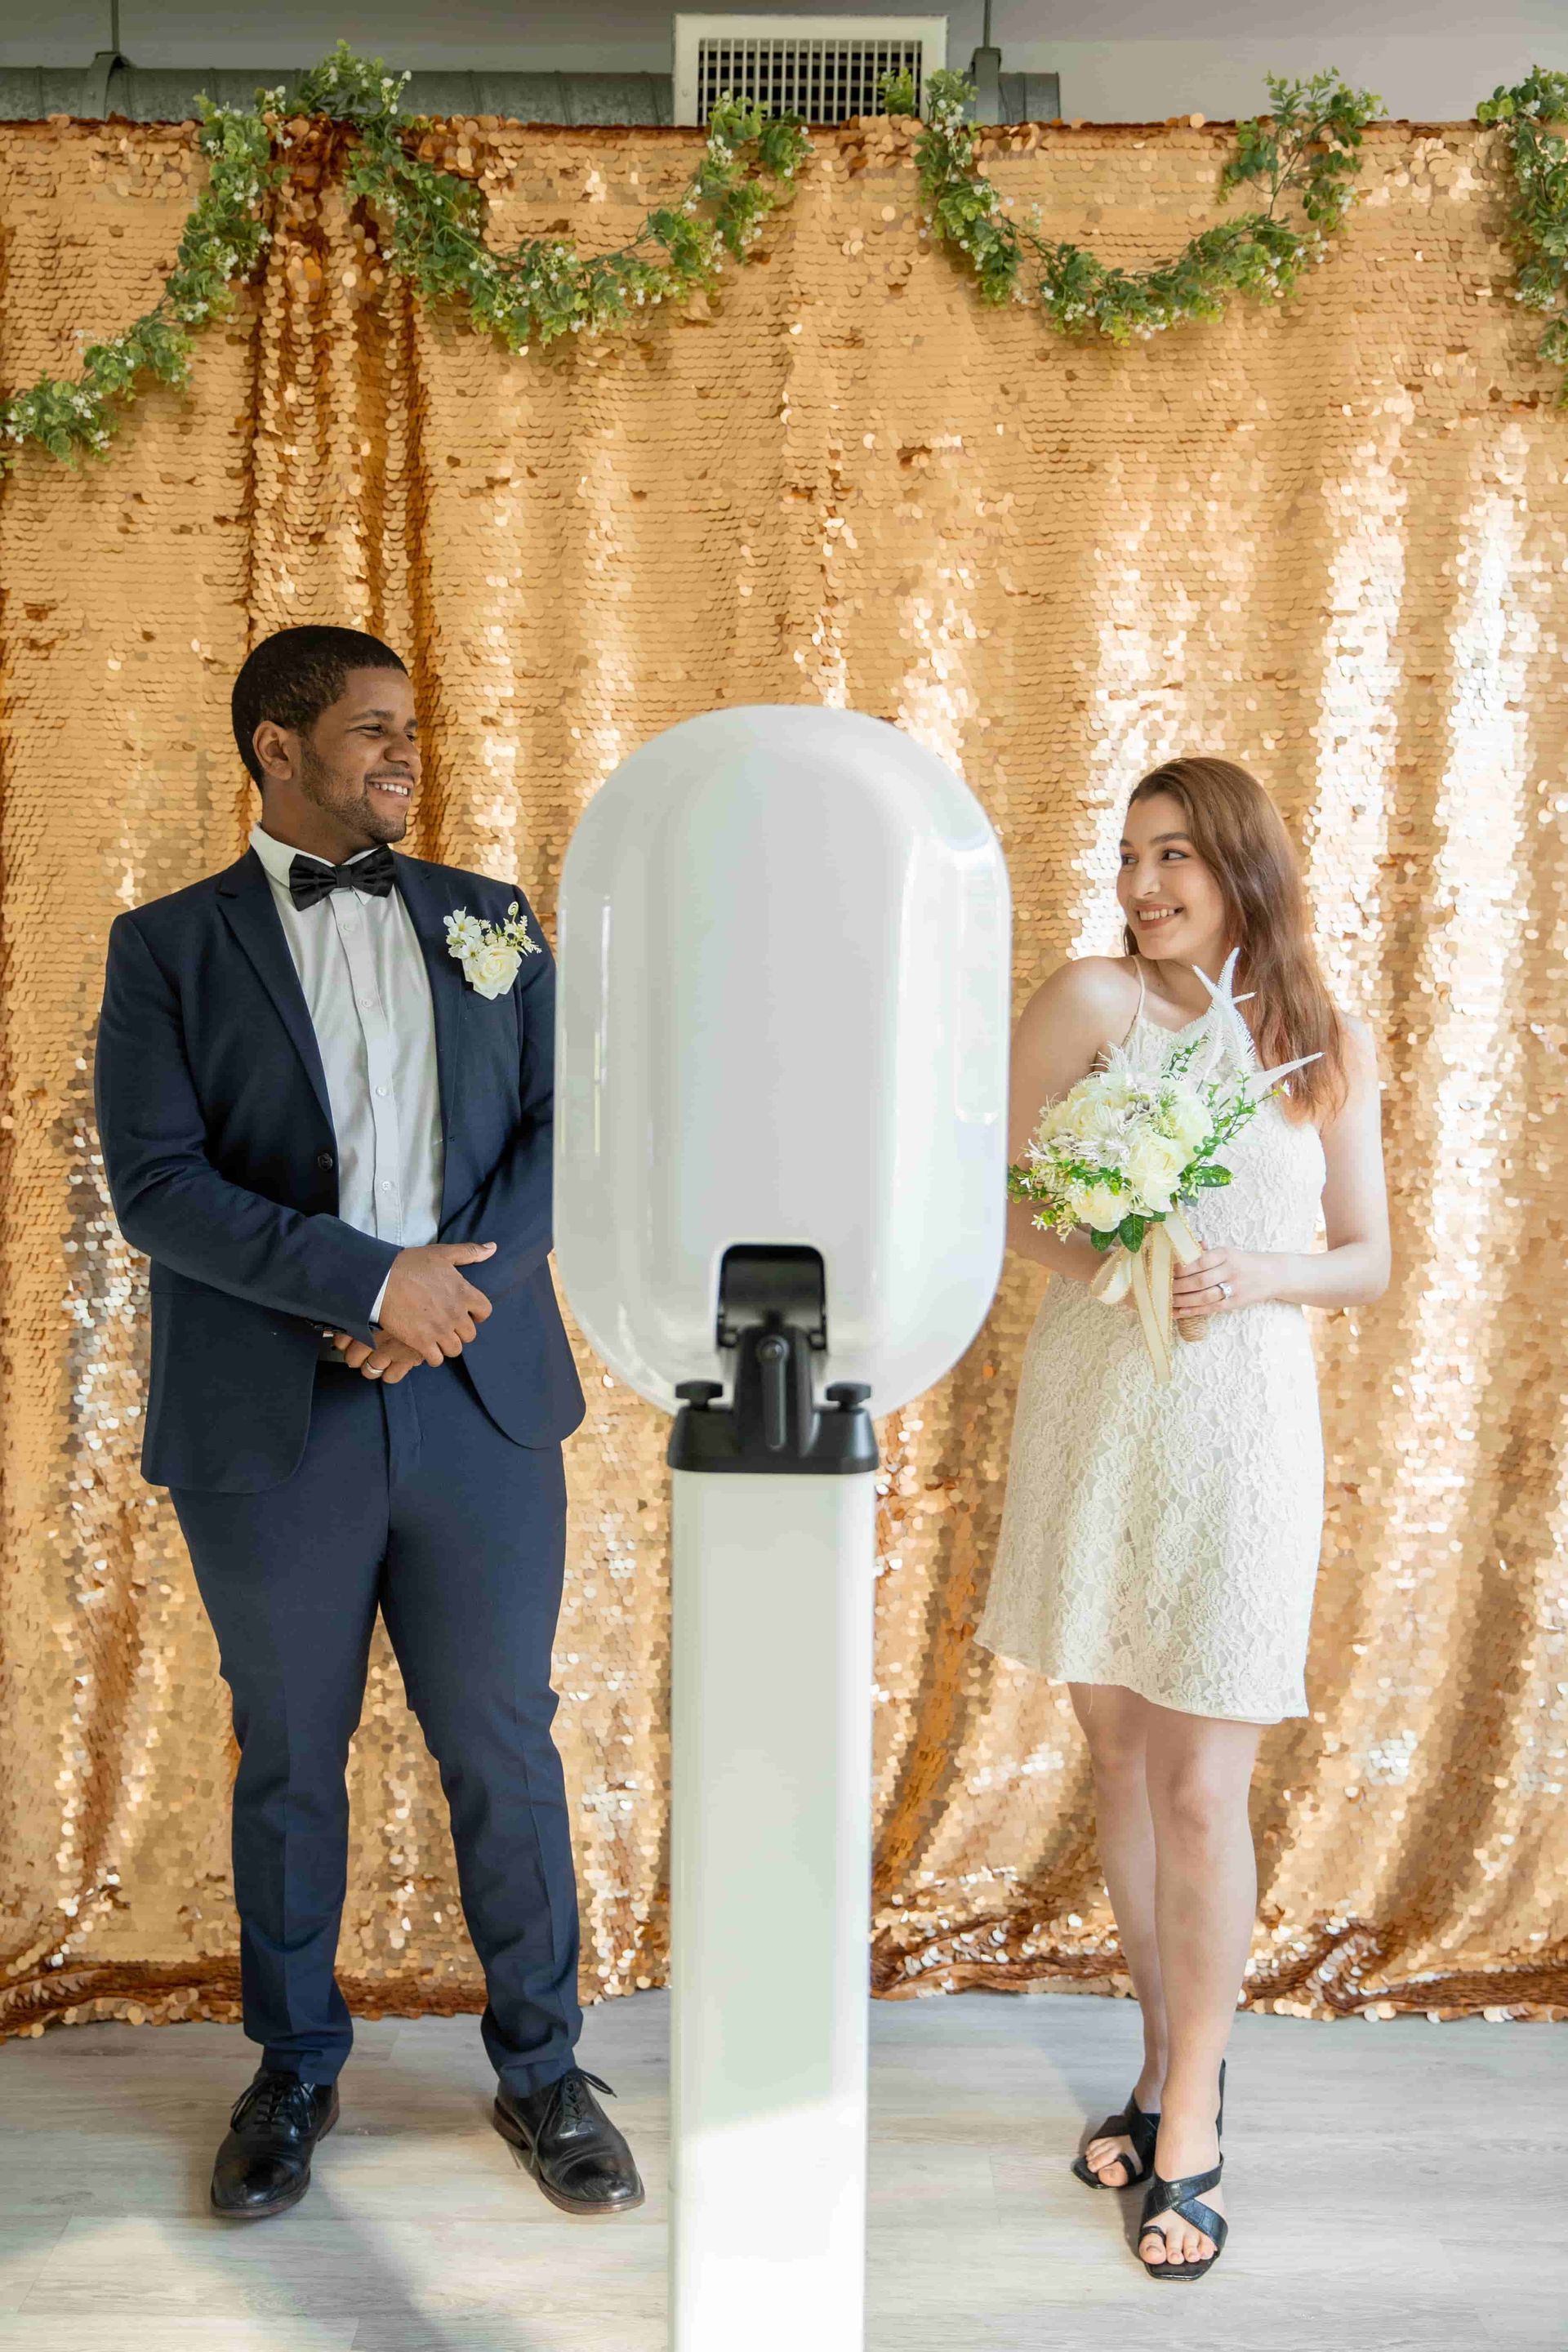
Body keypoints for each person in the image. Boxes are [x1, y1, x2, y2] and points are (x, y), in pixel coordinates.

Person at [93, 624, 644, 2223]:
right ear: (276, 747)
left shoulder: (490, 920)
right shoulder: (166, 948)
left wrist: (447, 1295)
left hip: (478, 1398)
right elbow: (156, 1187)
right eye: (371, 730)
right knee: (290, 1759)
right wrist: (367, 1279)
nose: (406, 754)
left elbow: (570, 1118)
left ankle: (546, 2070)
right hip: (275, 1423)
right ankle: (292, 2069)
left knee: (503, 1743)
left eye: (413, 730)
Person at [974, 755, 1389, 2283]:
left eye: (1176, 859)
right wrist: (1106, 1260)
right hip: (1101, 1407)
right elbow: (985, 1181)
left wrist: (1253, 1276)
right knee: (1127, 1762)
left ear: (1242, 870)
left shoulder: (1325, 1039)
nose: (1143, 886)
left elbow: (1367, 1258)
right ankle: (1157, 2068)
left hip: (1246, 1426)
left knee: (1208, 1782)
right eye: (1131, 855)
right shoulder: (1093, 1002)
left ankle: (1197, 2116)